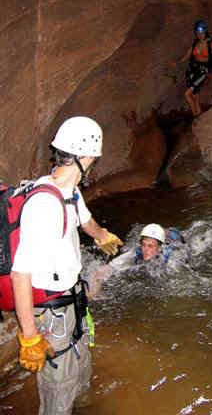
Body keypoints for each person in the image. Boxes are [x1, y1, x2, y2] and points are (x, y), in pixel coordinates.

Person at [10, 116, 123, 415]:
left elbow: (84, 219)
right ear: (85, 158)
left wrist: (103, 236)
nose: (95, 164)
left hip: (73, 301)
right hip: (51, 313)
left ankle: (84, 407)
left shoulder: (68, 190)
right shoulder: (45, 204)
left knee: (81, 370)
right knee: (59, 388)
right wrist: (30, 337)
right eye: (94, 159)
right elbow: (20, 273)